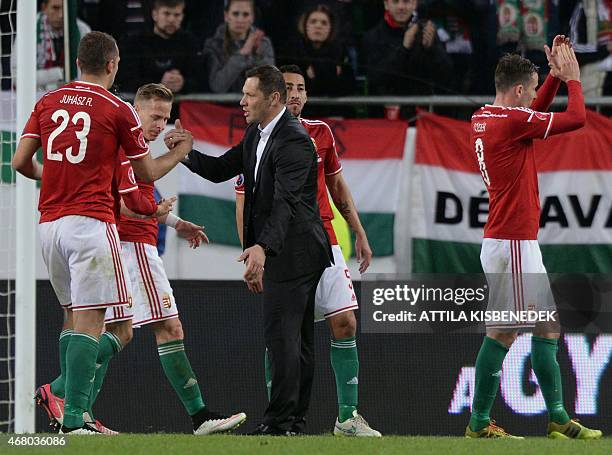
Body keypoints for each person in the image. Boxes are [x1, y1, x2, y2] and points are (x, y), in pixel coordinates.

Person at [12, 31, 192, 434]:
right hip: (91, 224)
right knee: (97, 323)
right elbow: (144, 174)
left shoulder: (47, 101)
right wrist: (180, 152)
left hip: (49, 226)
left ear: (77, 63)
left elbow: (20, 161)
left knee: (74, 318)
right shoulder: (117, 108)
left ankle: (65, 414)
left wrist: (54, 176)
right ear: (113, 65)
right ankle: (75, 419)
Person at [167, 64, 332, 435]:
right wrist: (185, 153)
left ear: (273, 99)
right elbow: (221, 167)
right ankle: (292, 422)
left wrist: (261, 247)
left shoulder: (294, 140)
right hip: (288, 249)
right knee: (297, 339)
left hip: (297, 251)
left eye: (249, 94)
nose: (241, 101)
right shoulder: (257, 133)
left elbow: (286, 204)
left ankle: (279, 423)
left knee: (283, 337)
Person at [466, 36, 602, 440]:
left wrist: (554, 80)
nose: (531, 102)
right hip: (512, 242)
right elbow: (576, 119)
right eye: (531, 92)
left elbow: (532, 113)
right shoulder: (511, 121)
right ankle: (478, 423)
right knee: (506, 332)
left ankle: (558, 417)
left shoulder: (485, 116)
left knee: (546, 327)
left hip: (509, 240)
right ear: (520, 90)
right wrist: (572, 80)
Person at [233, 64, 379, 436]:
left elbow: (338, 189)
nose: (296, 93)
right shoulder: (259, 136)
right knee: (285, 333)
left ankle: (347, 418)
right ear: (277, 95)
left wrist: (359, 233)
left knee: (345, 322)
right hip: (281, 250)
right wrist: (252, 252)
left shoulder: (321, 133)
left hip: (323, 242)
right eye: (289, 87)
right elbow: (243, 201)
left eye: (301, 88)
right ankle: (279, 417)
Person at [362, 0, 452, 96]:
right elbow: (376, 78)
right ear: (386, 4)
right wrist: (404, 48)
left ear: (414, 4)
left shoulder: (425, 31)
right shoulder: (373, 37)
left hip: (421, 106)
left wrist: (432, 50)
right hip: (387, 106)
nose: (401, 7)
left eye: (406, 1)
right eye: (395, 2)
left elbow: (446, 75)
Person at [118, 0, 201, 94]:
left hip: (181, 107)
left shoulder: (190, 43)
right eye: (166, 14)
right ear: (155, 15)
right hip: (145, 106)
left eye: (177, 15)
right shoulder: (135, 43)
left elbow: (200, 80)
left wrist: (183, 83)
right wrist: (159, 84)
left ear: (182, 16)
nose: (171, 19)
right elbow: (127, 81)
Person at [283, 4, 355, 97]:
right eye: (313, 22)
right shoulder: (293, 51)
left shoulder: (340, 52)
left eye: (324, 23)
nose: (318, 26)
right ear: (305, 25)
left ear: (331, 28)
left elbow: (350, 87)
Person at [204, 0, 275, 93]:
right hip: (222, 106)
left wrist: (257, 56)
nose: (240, 19)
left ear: (252, 18)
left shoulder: (263, 43)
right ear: (226, 16)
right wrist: (242, 54)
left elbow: (269, 83)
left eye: (245, 14)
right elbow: (218, 86)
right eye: (235, 14)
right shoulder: (213, 45)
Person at [28, 0, 91, 91]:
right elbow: (17, 76)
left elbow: (89, 76)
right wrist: (59, 73)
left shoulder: (83, 31)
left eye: (65, 9)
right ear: (44, 8)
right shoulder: (29, 29)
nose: (61, 15)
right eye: (55, 8)